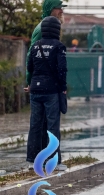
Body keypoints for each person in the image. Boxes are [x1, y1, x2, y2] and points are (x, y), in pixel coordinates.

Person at [24, 0, 67, 171]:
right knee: (50, 125)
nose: (61, 11)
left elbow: (31, 58)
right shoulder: (43, 29)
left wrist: (32, 83)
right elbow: (31, 58)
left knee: (37, 124)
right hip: (49, 88)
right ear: (51, 9)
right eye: (58, 8)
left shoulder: (48, 29)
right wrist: (29, 81)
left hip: (37, 87)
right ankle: (51, 160)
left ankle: (34, 160)